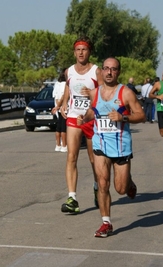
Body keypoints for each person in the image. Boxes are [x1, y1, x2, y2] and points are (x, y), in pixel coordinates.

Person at [77, 57, 145, 237]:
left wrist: (123, 118)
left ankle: (129, 183)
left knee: (121, 189)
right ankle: (106, 223)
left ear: (118, 72)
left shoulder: (126, 93)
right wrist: (85, 118)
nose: (109, 72)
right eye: (106, 69)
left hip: (121, 145)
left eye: (113, 69)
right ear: (102, 71)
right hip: (100, 142)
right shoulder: (94, 93)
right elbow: (94, 110)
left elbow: (141, 115)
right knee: (102, 183)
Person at [55, 36, 103, 213]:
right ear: (74, 52)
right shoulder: (69, 71)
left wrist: (91, 93)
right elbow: (68, 87)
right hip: (74, 117)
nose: (81, 53)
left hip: (91, 118)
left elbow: (104, 91)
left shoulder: (96, 71)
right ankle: (72, 198)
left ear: (89, 51)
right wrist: (64, 103)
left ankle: (98, 187)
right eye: (78, 50)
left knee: (93, 159)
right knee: (71, 156)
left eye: (84, 49)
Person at [52, 69, 67, 152]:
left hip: (58, 108)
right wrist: (58, 106)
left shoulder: (57, 84)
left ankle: (58, 145)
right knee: (64, 128)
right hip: (63, 109)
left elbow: (55, 96)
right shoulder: (65, 84)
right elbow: (63, 96)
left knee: (59, 128)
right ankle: (64, 145)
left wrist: (56, 105)